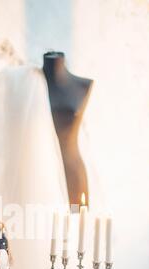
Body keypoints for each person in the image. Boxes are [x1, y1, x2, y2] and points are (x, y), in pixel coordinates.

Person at [43, 51, 93, 208]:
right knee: (40, 226)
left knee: (77, 223)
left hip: (71, 170)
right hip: (40, 170)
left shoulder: (82, 85)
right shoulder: (29, 88)